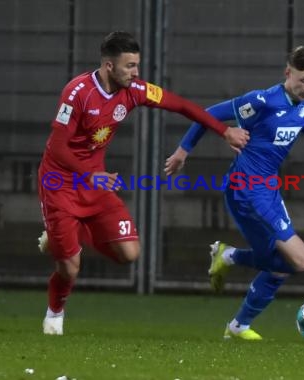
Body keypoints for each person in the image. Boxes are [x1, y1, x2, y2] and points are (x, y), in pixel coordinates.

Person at [38, 31, 249, 335]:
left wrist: (223, 131)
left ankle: (65, 239)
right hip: (60, 182)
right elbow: (57, 148)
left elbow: (180, 106)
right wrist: (90, 174)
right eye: (130, 66)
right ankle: (54, 314)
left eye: (137, 65)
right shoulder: (77, 93)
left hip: (95, 183)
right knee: (70, 267)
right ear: (109, 66)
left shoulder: (135, 90)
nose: (136, 73)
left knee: (129, 254)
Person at [164, 46, 304, 340]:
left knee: (283, 266)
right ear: (288, 73)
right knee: (301, 260)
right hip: (245, 191)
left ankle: (238, 325)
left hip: (268, 191)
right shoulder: (262, 101)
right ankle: (230, 260)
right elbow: (207, 115)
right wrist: (183, 151)